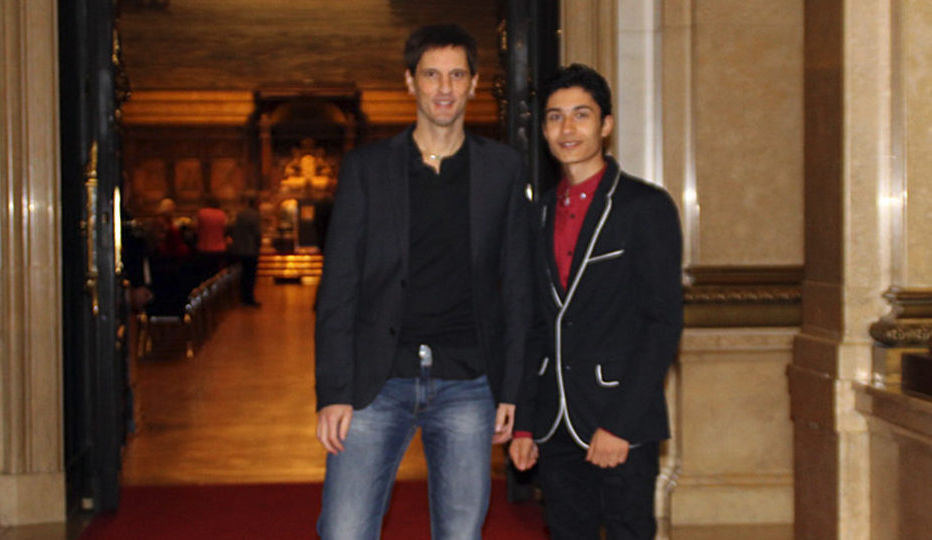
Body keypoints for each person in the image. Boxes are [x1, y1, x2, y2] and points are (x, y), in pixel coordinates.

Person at [313, 23, 534, 539]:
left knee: (460, 533)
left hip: (468, 383)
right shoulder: (368, 169)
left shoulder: (503, 169)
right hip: (376, 382)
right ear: (410, 82)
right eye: (432, 75)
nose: (444, 88)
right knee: (344, 531)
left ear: (474, 83)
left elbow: (518, 288)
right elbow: (339, 286)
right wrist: (333, 391)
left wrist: (513, 389)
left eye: (457, 75)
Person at [508, 64, 683, 540]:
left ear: (606, 125)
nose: (567, 128)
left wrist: (620, 425)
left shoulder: (644, 207)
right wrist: (525, 423)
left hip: (620, 416)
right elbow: (536, 326)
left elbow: (662, 323)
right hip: (554, 422)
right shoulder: (539, 213)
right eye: (555, 117)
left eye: (580, 115)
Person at [228, 191, 263, 307]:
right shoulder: (255, 215)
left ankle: (242, 298)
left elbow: (232, 229)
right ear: (256, 203)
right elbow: (257, 233)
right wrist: (259, 245)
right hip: (250, 249)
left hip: (239, 249)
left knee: (243, 275)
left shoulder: (241, 214)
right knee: (250, 276)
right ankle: (249, 298)